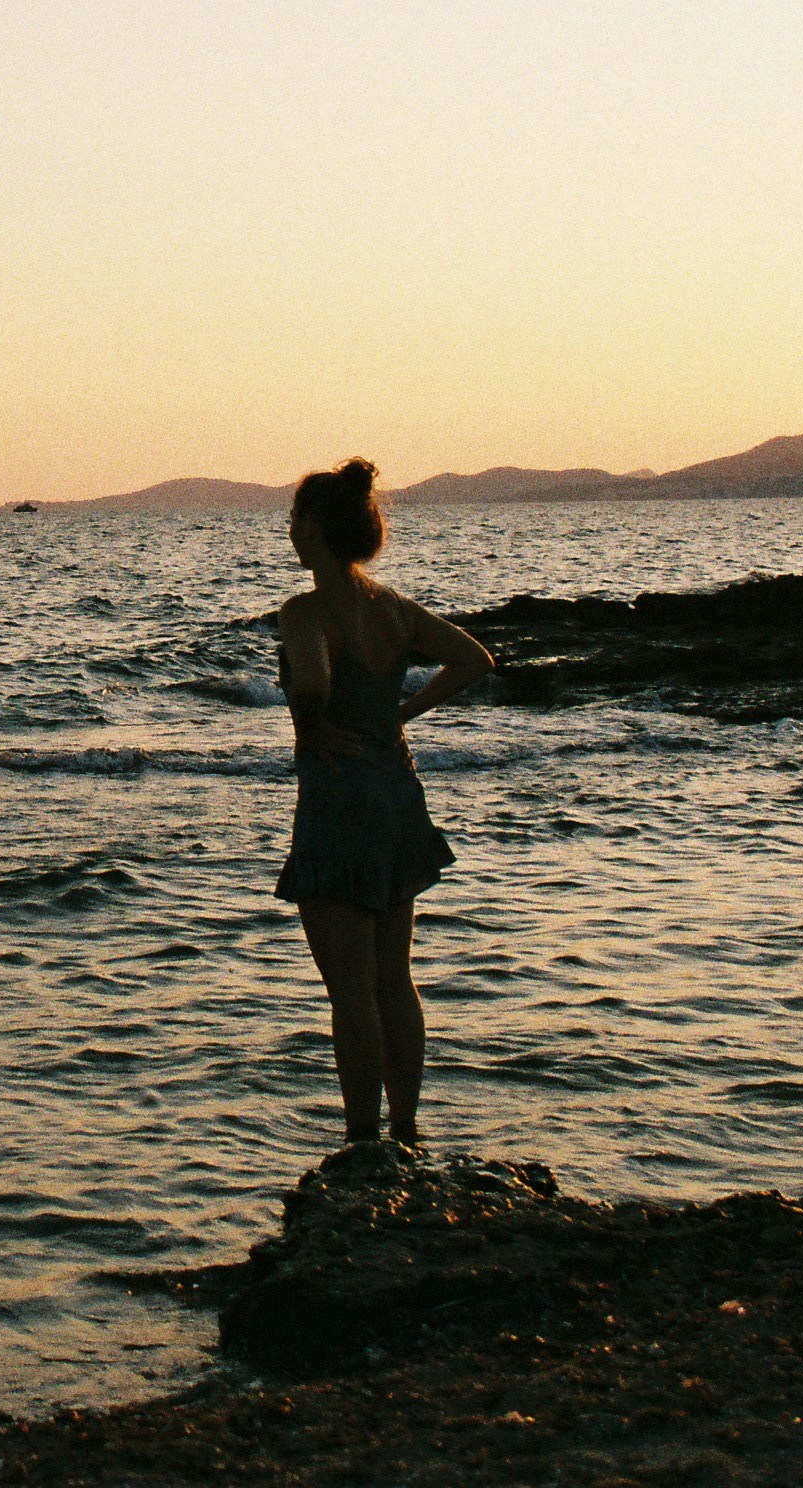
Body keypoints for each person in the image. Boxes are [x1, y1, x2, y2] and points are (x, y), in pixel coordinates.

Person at [263, 459, 492, 1147]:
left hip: (339, 804)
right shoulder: (393, 609)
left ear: (316, 530)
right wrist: (404, 711)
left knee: (350, 992)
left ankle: (362, 1138)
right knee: (395, 980)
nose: (289, 529)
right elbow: (475, 658)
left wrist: (309, 726)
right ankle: (407, 1127)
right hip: (397, 792)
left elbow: (310, 678)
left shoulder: (304, 610)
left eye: (296, 518)